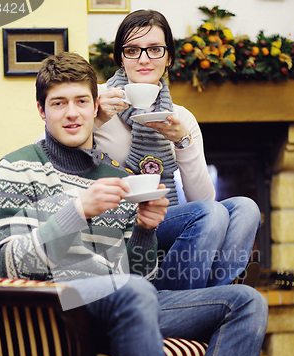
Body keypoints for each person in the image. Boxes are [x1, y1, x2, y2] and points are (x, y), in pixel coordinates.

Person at [0, 51, 268, 356]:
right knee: (133, 291)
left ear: (96, 107)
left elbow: (136, 270)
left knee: (246, 302)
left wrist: (143, 232)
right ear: (42, 111)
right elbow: (2, 261)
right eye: (59, 103)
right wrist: (76, 212)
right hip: (57, 308)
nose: (72, 113)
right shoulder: (15, 168)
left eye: (81, 101)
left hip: (125, 303)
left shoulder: (115, 174)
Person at [93, 9, 261, 291]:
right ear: (120, 58)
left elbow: (204, 199)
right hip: (119, 224)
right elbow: (49, 147)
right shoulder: (97, 100)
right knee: (211, 214)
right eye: (132, 50)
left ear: (169, 57)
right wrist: (95, 119)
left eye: (155, 49)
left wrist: (183, 142)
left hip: (167, 220)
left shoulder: (181, 118)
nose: (144, 58)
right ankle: (195, 301)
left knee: (246, 208)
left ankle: (210, 295)